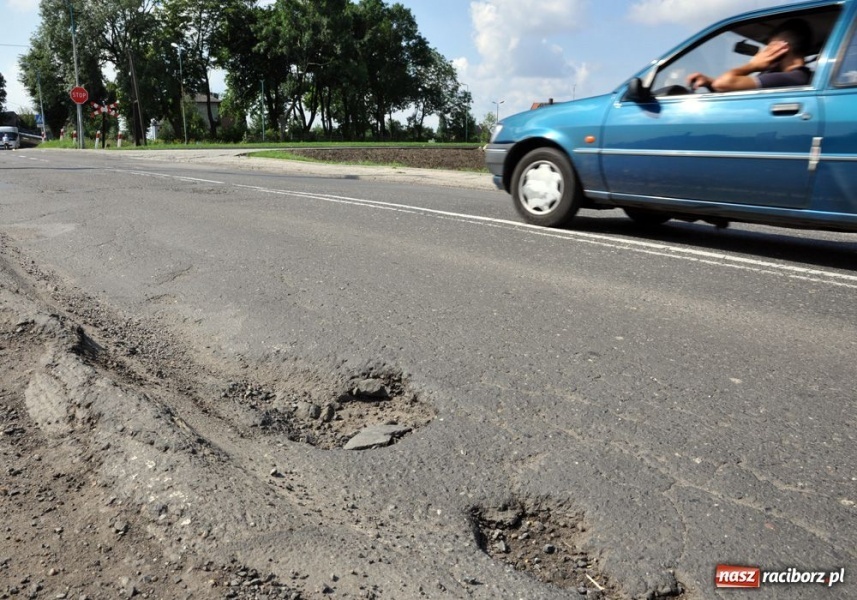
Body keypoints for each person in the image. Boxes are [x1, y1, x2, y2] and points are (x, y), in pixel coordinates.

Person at [688, 19, 813, 92]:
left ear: (782, 48)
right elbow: (730, 87)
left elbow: (723, 83)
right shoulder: (798, 76)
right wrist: (709, 82)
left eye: (769, 48)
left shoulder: (795, 77)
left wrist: (753, 65)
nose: (764, 52)